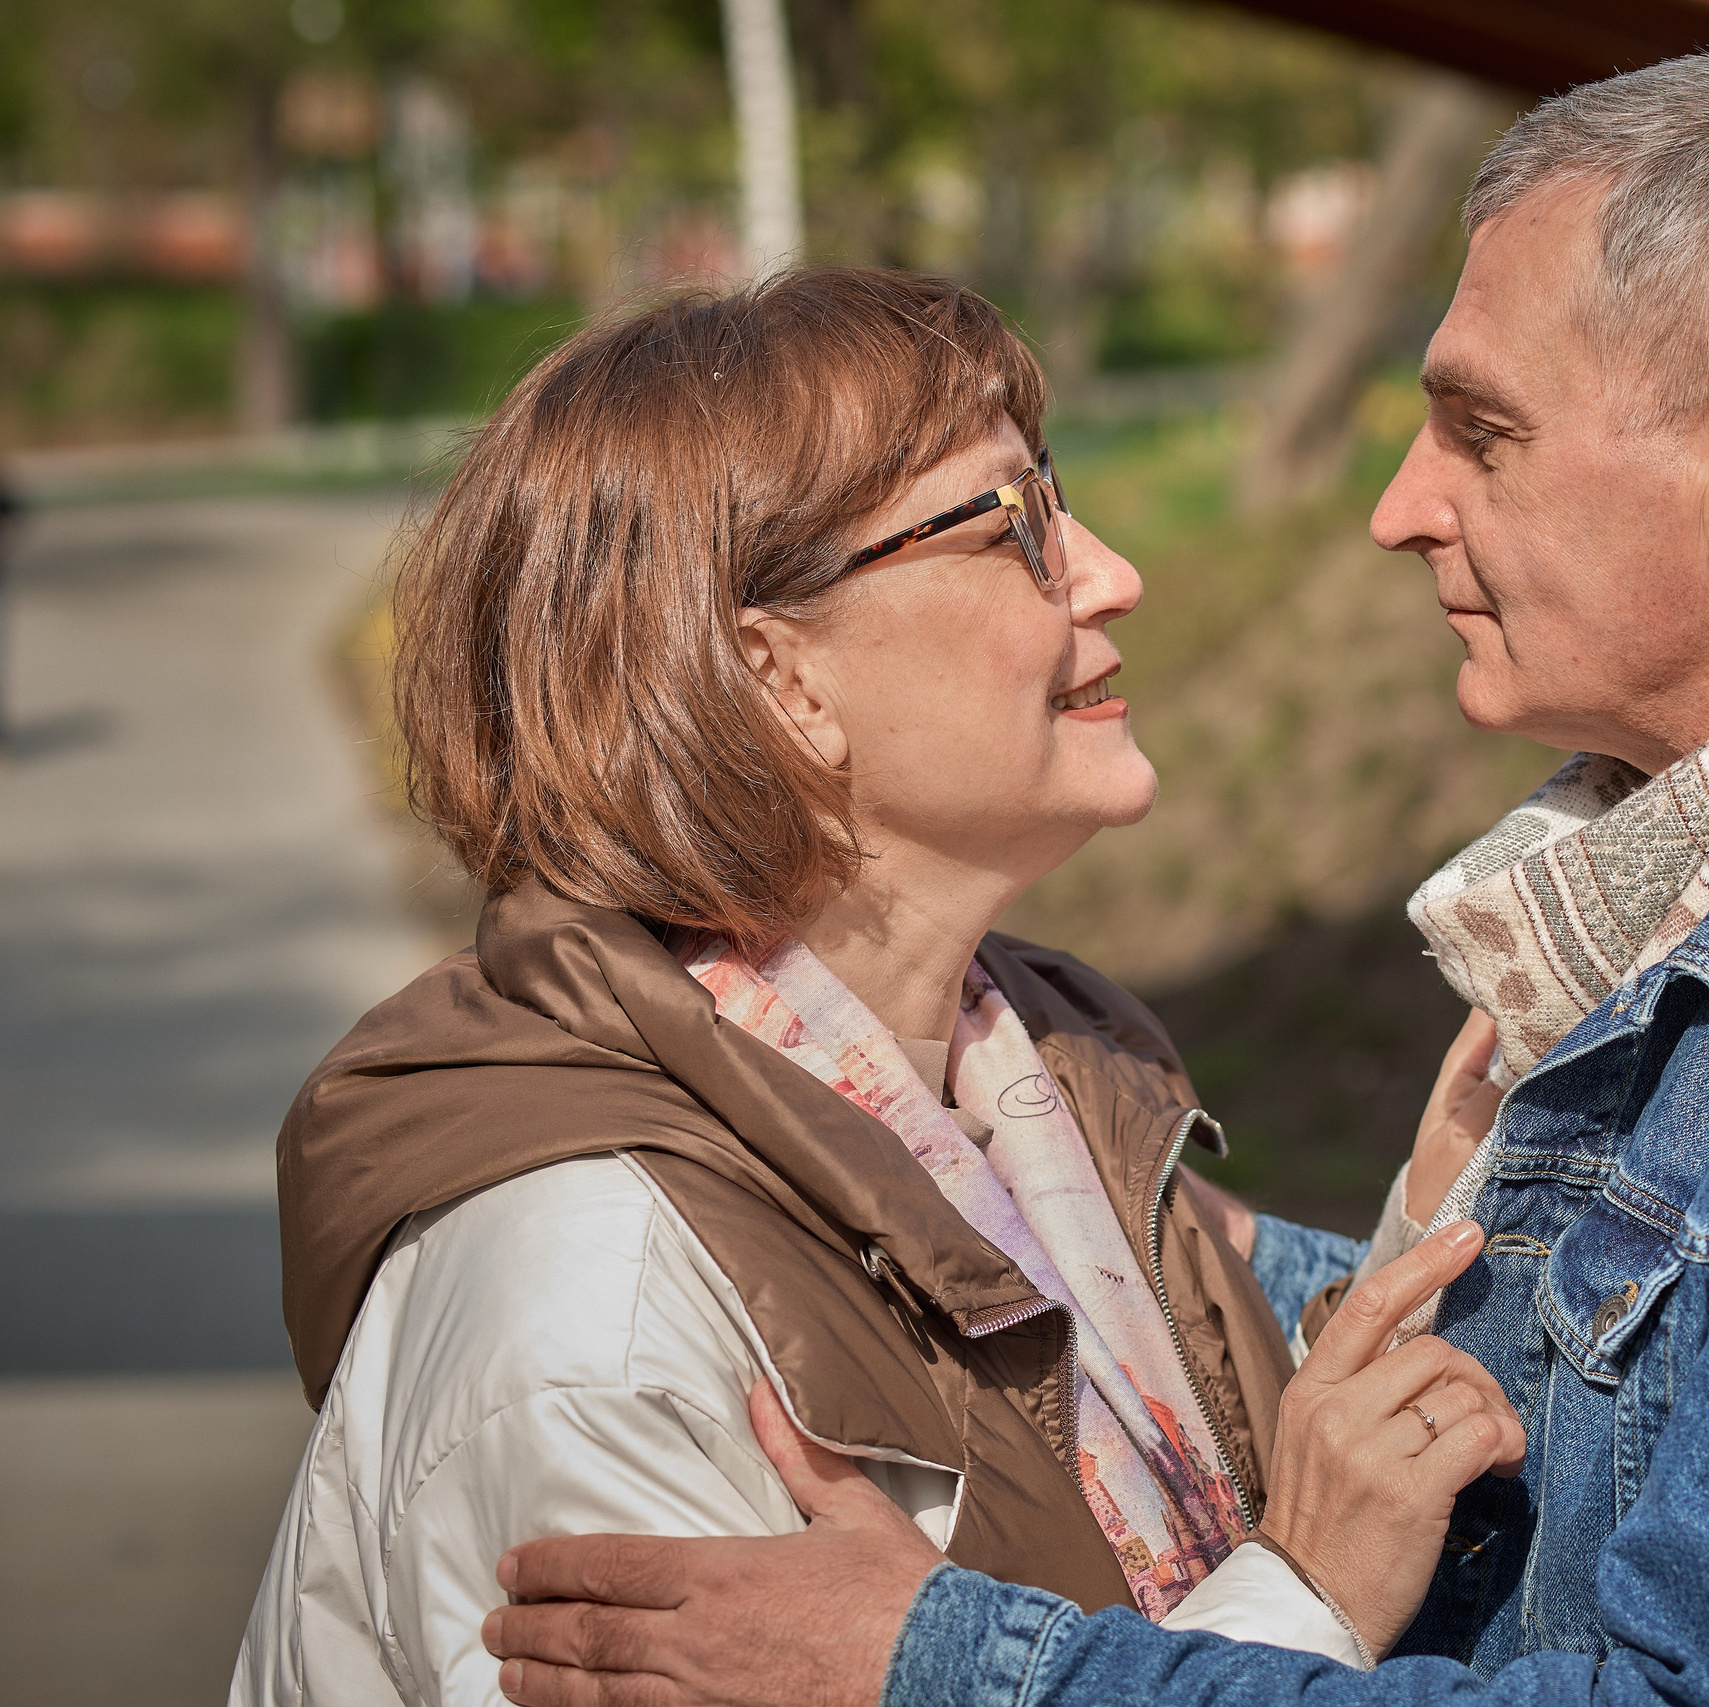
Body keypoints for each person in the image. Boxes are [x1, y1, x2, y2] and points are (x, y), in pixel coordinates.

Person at [481, 48, 1709, 1707]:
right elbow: (1633, 1397)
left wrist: (937, 1664)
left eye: (1480, 430)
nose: (1403, 506)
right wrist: (1148, 1259)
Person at [229, 267, 1527, 1707]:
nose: (1112, 573)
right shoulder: (600, 1319)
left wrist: (1432, 1236)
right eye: (1015, 524)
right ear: (774, 675)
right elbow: (1309, 1548)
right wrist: (1305, 1597)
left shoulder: (1053, 1109)